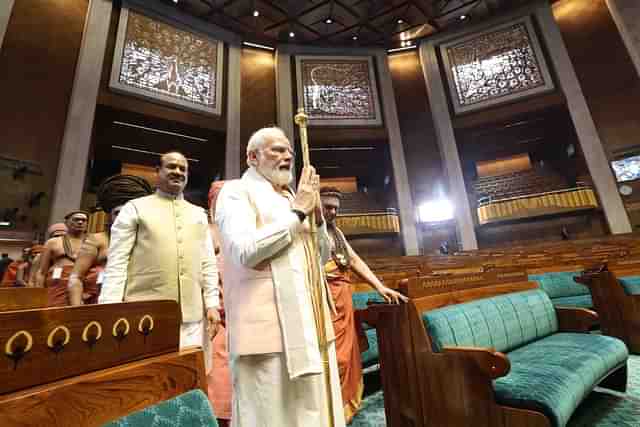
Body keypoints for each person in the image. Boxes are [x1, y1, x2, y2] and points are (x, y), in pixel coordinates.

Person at [215, 127, 345, 427]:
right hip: (266, 332)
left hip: (309, 324)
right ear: (252, 157)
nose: (288, 155)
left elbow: (320, 259)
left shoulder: (291, 197)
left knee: (314, 414)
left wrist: (317, 220)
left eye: (290, 151)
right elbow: (245, 251)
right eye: (277, 150)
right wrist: (298, 212)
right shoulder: (235, 192)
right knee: (271, 417)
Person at [100, 151, 220, 370]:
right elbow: (117, 263)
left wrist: (212, 304)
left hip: (191, 317)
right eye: (171, 167)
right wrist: (109, 308)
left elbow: (207, 262)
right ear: (157, 172)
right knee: (147, 380)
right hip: (144, 316)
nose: (177, 172)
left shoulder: (198, 214)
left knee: (187, 378)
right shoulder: (135, 208)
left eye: (183, 169)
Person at [319, 186, 408, 422]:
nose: (332, 212)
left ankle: (345, 408)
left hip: (343, 299)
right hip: (323, 302)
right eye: (327, 207)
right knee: (334, 358)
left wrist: (380, 286)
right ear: (316, 205)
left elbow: (354, 259)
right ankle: (329, 412)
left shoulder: (336, 233)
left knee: (347, 357)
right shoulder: (308, 232)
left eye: (336, 208)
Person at [68, 175, 153, 306]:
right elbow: (76, 278)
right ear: (110, 216)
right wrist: (78, 310)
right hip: (100, 304)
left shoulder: (147, 240)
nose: (123, 217)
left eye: (127, 212)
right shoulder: (97, 240)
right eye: (118, 213)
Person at [207, 180, 232, 427]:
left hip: (242, 313)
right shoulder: (207, 230)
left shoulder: (242, 229)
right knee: (218, 374)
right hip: (216, 313)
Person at [36, 211, 89, 305]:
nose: (80, 222)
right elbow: (41, 272)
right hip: (57, 284)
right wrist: (38, 296)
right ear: (66, 223)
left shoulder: (91, 243)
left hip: (83, 283)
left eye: (83, 220)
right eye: (76, 219)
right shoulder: (53, 242)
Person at [28, 223, 67, 288]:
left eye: (62, 236)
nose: (59, 239)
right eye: (56, 236)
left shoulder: (69, 256)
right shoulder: (39, 257)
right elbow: (31, 280)